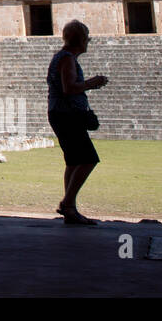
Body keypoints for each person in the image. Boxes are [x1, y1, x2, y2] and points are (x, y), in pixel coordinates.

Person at [47, 20, 108, 225]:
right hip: (67, 115)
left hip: (61, 113)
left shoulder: (64, 58)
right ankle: (68, 204)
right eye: (86, 38)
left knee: (73, 161)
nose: (87, 43)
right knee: (88, 159)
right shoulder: (67, 59)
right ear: (80, 40)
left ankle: (70, 208)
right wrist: (93, 82)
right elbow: (69, 88)